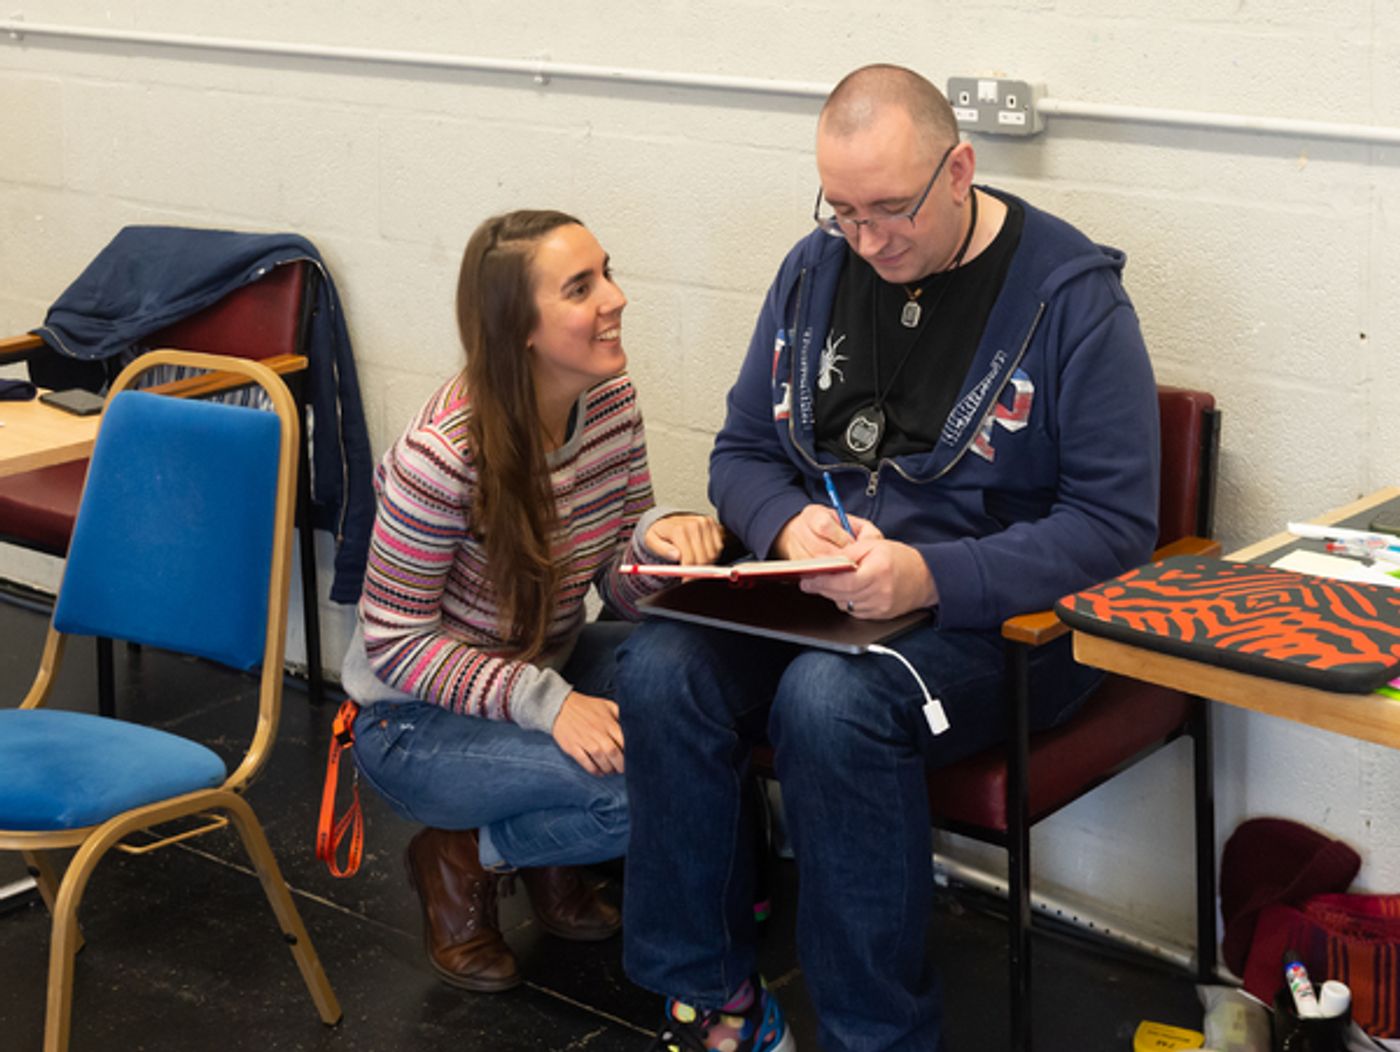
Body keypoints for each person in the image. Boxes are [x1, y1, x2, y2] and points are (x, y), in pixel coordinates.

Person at [618, 65, 1161, 1051]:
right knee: (655, 668)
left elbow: (1115, 527)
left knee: (828, 704)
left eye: (889, 212)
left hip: (992, 621)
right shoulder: (810, 269)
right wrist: (785, 526)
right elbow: (741, 451)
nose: (866, 240)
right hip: (823, 594)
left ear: (958, 169)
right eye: (843, 214)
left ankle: (878, 1035)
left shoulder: (1071, 297)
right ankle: (708, 995)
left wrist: (928, 575)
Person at [341, 209, 723, 993]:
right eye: (582, 288)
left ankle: (545, 853)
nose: (615, 298)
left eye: (607, 273)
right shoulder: (440, 457)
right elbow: (395, 642)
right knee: (643, 792)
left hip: (545, 662)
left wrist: (658, 549)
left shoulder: (611, 401)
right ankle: (457, 858)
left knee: (697, 685)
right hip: (413, 719)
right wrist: (549, 704)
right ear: (518, 328)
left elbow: (615, 583)